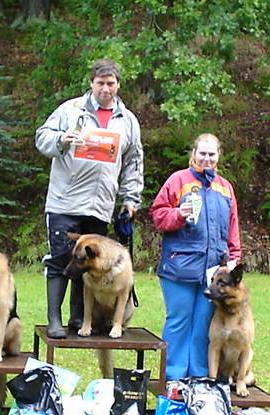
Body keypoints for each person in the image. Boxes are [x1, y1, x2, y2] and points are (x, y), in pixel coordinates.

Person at [35, 59, 144, 339]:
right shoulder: (70, 110)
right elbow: (41, 138)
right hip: (65, 200)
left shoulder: (128, 120)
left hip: (100, 205)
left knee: (89, 263)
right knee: (60, 257)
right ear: (91, 83)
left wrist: (130, 199)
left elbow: (133, 162)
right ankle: (54, 320)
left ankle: (77, 317)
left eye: (111, 83)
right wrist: (62, 139)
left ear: (118, 85)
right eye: (100, 83)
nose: (105, 89)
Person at [150, 133, 241, 380]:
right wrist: (178, 214)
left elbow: (232, 225)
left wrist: (234, 256)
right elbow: (158, 216)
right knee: (179, 320)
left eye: (212, 154)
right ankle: (173, 377)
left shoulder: (225, 187)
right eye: (202, 153)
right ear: (194, 153)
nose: (207, 158)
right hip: (179, 267)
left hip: (214, 271)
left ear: (218, 156)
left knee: (204, 324)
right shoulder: (178, 180)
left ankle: (200, 376)